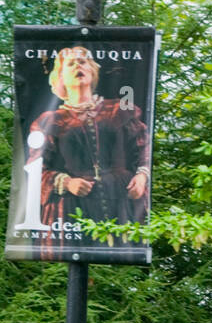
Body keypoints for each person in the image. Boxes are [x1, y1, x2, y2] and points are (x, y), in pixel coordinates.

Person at [28, 45, 151, 259]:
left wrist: (141, 177)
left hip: (121, 202)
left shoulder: (119, 111)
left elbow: (143, 151)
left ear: (93, 71)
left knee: (120, 263)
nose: (78, 65)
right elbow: (36, 168)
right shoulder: (49, 121)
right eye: (71, 63)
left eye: (83, 61)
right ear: (61, 77)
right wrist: (66, 182)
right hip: (71, 209)